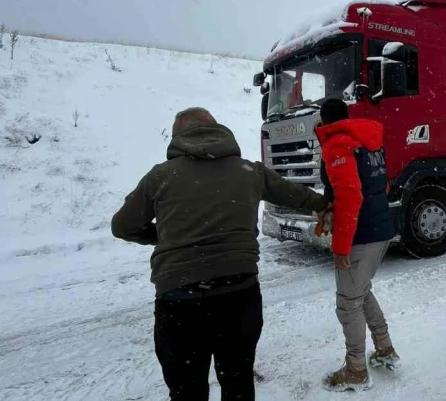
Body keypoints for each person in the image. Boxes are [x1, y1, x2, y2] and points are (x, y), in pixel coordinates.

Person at [111, 107, 329, 401]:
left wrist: (160, 235)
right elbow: (295, 194)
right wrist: (325, 205)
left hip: (179, 303)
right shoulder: (248, 171)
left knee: (187, 390)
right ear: (216, 130)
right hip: (239, 297)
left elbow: (122, 225)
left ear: (179, 137)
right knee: (238, 381)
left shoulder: (160, 176)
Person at [315, 99, 400, 392]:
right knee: (360, 293)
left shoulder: (338, 145)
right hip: (381, 228)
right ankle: (385, 349)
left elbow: (350, 195)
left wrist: (340, 247)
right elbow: (381, 185)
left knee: (347, 304)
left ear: (324, 122)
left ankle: (356, 371)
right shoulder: (369, 142)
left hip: (361, 235)